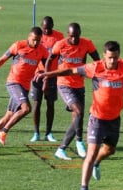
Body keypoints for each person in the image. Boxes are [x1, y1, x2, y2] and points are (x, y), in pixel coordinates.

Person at [37, 41, 123, 190]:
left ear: (119, 55)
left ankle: (97, 164)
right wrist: (48, 74)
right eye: (109, 57)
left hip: (114, 119)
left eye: (115, 57)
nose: (112, 61)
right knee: (91, 153)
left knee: (109, 150)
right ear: (104, 55)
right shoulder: (95, 67)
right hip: (97, 118)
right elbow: (71, 70)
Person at [0, 27, 48, 149]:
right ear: (29, 37)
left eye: (38, 40)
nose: (36, 43)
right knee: (26, 108)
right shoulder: (18, 45)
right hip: (14, 82)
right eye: (33, 40)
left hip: (25, 86)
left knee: (9, 115)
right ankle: (4, 131)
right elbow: (2, 60)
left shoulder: (42, 50)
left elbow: (45, 64)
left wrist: (42, 70)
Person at [44, 22, 100, 160]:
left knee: (78, 116)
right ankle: (67, 147)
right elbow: (49, 59)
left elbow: (98, 61)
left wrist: (97, 75)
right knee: (79, 111)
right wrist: (46, 78)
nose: (74, 39)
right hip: (64, 84)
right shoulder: (60, 45)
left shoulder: (87, 43)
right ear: (68, 34)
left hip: (79, 84)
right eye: (72, 36)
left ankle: (77, 142)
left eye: (77, 36)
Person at [29, 16, 64, 142]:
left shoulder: (59, 36)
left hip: (52, 75)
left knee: (50, 103)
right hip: (37, 74)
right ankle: (36, 133)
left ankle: (49, 133)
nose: (47, 31)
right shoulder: (37, 37)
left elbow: (62, 54)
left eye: (49, 29)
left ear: (53, 26)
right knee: (36, 103)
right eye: (44, 29)